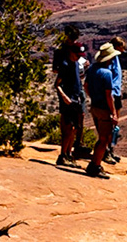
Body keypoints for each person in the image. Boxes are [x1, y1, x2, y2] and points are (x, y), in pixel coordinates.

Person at [51, 26, 88, 168]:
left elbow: (79, 75)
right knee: (68, 127)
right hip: (68, 94)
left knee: (74, 127)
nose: (73, 40)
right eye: (71, 38)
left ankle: (69, 154)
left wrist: (82, 69)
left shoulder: (74, 60)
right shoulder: (64, 58)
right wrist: (64, 96)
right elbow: (57, 80)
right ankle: (63, 155)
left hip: (76, 94)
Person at [84, 42, 120, 178]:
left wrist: (93, 96)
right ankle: (95, 166)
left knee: (101, 136)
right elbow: (108, 95)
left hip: (94, 107)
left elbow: (86, 85)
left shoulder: (92, 69)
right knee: (104, 139)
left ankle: (95, 164)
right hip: (104, 109)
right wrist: (114, 113)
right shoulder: (107, 73)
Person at [106, 36, 127, 164]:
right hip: (113, 94)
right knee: (111, 123)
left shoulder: (116, 58)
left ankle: (111, 150)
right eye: (121, 48)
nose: (122, 51)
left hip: (116, 93)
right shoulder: (110, 59)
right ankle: (107, 151)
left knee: (114, 125)